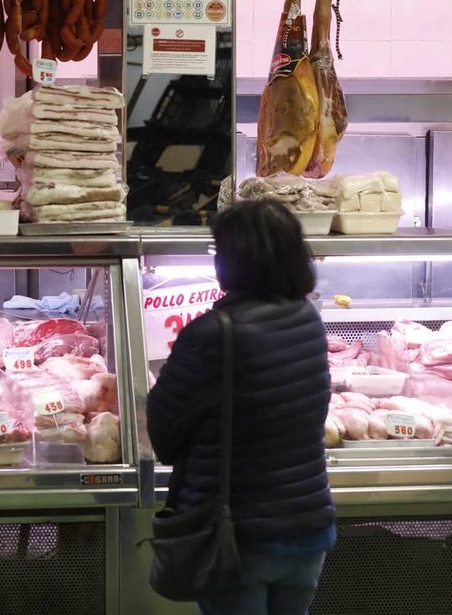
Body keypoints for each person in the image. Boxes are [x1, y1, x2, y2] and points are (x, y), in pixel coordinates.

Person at [147, 198, 336, 615]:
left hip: (237, 536)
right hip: (308, 525)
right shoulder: (308, 318)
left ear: (233, 261)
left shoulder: (213, 332)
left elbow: (163, 436)